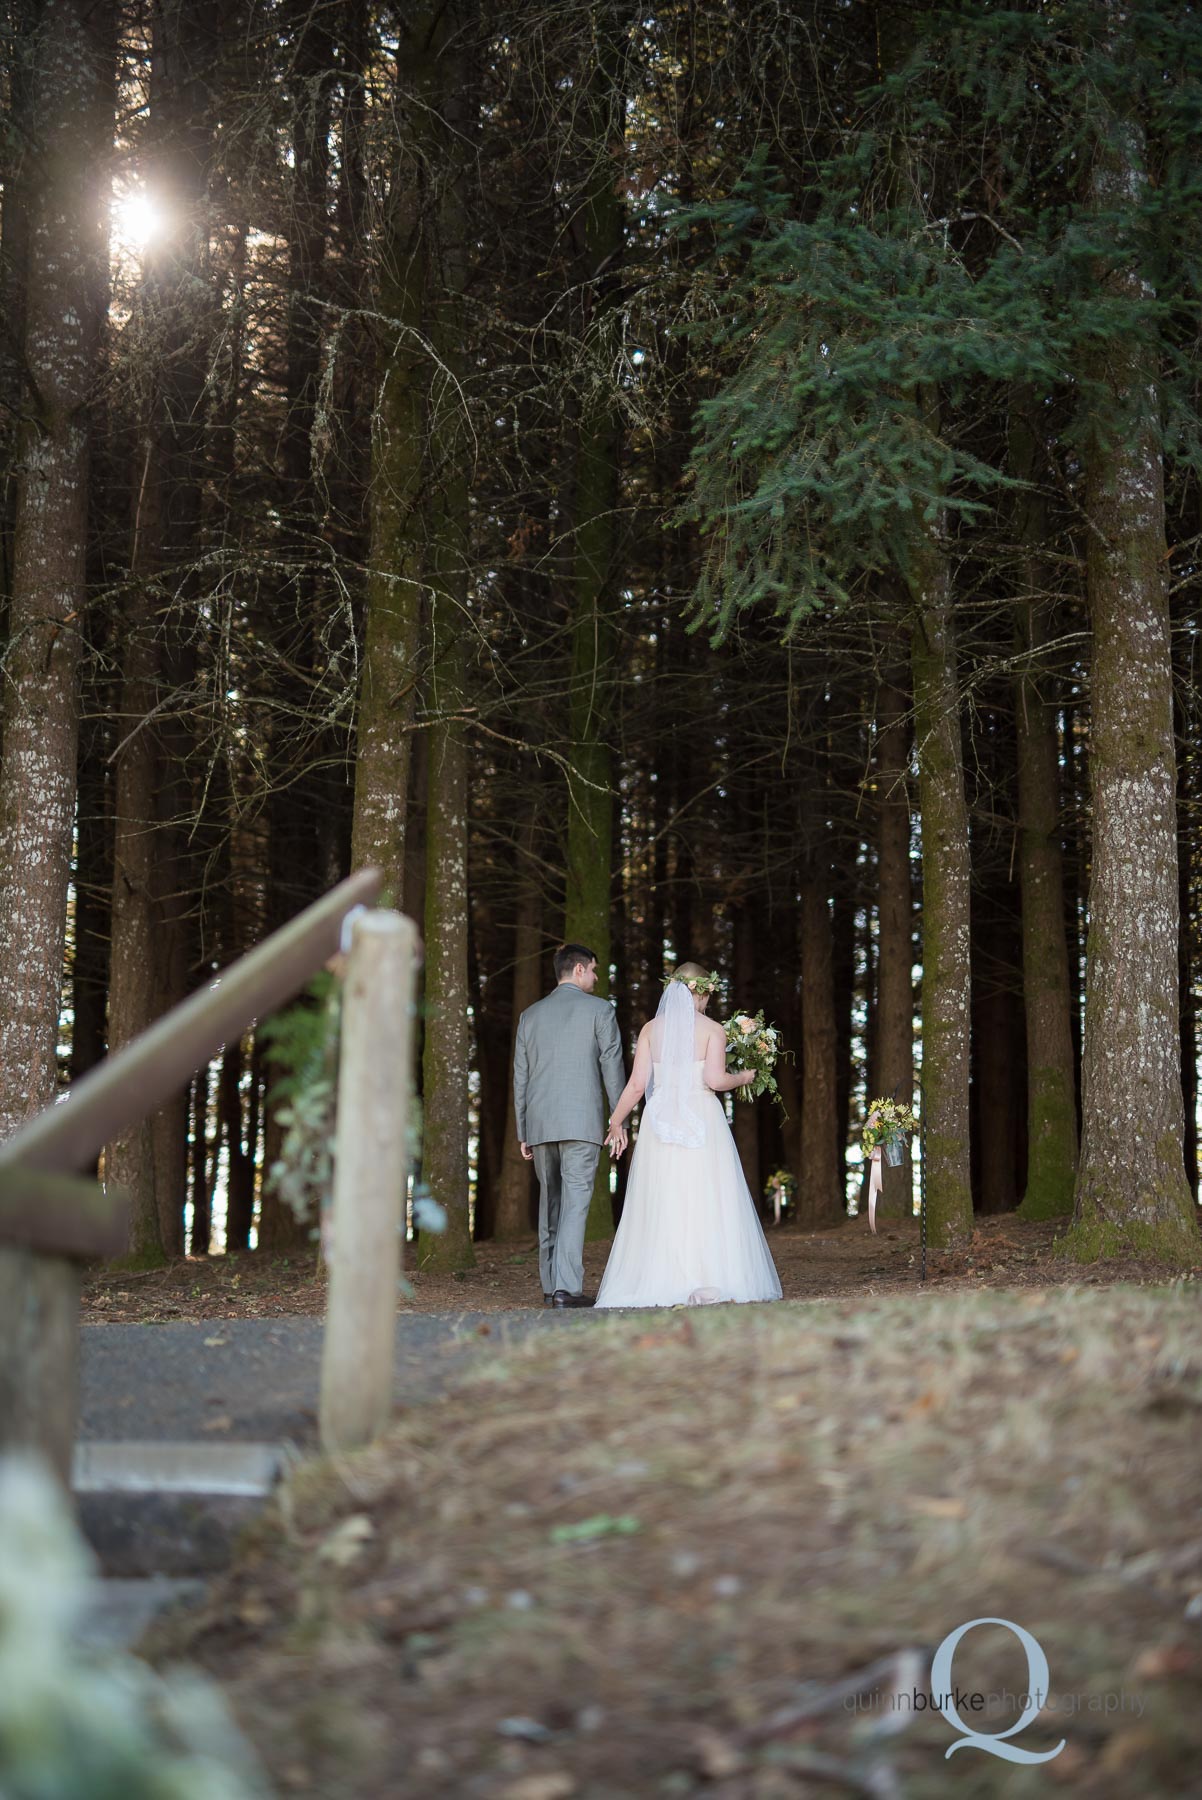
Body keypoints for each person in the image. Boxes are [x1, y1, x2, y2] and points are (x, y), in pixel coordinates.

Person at [594, 962, 782, 1309]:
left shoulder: (651, 1029)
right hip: (702, 1119)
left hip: (660, 1122)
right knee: (708, 1195)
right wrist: (743, 1077)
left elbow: (637, 1085)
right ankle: (711, 1273)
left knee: (664, 1197)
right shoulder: (712, 1030)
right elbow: (714, 1080)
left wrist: (616, 1122)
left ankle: (660, 1277)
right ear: (705, 991)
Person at [513, 943, 626, 1307]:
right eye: (593, 969)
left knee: (551, 1203)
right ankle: (566, 1289)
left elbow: (521, 1077)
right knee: (575, 1204)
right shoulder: (600, 1010)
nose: (596, 976)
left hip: (541, 1124)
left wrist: (522, 1130)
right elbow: (611, 1065)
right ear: (578, 970)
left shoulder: (530, 1016)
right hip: (581, 1122)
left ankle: (550, 1286)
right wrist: (618, 1119)